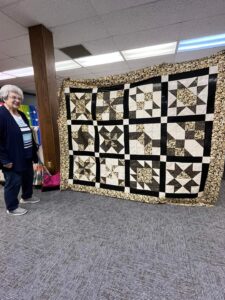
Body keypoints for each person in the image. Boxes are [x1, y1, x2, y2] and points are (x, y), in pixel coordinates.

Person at [0, 85, 40, 216]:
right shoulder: (1, 115)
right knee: (14, 181)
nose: (17, 100)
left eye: (19, 98)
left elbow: (27, 133)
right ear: (5, 98)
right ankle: (12, 207)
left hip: (26, 154)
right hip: (11, 156)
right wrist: (4, 160)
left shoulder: (21, 114)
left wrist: (34, 150)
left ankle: (26, 197)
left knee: (28, 177)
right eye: (13, 97)